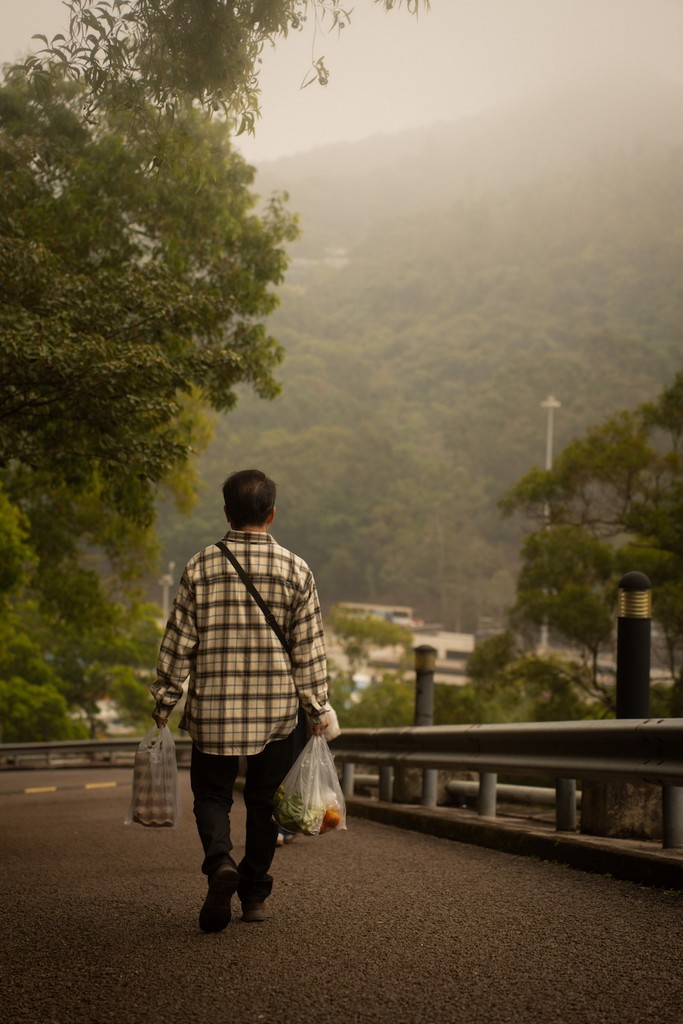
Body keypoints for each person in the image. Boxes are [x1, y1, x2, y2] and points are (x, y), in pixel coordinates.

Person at [150, 469, 330, 932]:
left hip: (214, 709)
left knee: (211, 794)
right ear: (272, 513)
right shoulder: (297, 569)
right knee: (265, 802)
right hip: (276, 713)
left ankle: (219, 863)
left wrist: (164, 698)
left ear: (227, 512)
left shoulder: (200, 566)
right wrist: (316, 707)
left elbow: (178, 642)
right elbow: (309, 649)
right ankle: (252, 894)